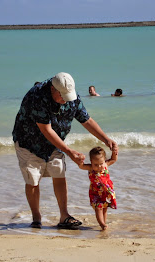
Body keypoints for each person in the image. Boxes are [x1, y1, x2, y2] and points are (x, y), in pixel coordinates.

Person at [12, 72, 118, 230]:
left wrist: (106, 139)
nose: (65, 100)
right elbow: (46, 130)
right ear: (53, 90)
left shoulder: (72, 97)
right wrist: (69, 151)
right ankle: (36, 217)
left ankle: (64, 216)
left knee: (59, 173)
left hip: (56, 143)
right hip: (29, 142)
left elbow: (86, 120)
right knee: (33, 179)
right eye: (62, 97)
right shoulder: (37, 96)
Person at [78, 146, 117, 230]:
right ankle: (102, 224)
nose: (99, 166)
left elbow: (113, 159)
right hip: (95, 192)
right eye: (96, 164)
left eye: (101, 163)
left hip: (106, 192)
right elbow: (81, 166)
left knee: (105, 207)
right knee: (98, 208)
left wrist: (114, 153)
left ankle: (104, 222)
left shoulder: (106, 164)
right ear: (91, 162)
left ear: (104, 160)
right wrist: (80, 161)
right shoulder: (90, 168)